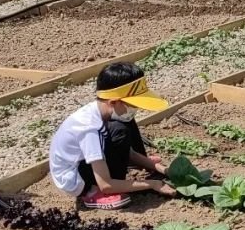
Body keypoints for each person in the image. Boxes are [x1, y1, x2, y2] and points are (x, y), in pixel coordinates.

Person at [49, 62, 177, 210]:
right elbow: (106, 185)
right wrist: (153, 184)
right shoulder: (90, 129)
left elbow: (129, 153)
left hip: (84, 161)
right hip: (75, 179)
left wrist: (164, 170)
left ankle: (117, 169)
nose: (136, 109)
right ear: (113, 102)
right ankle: (91, 193)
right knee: (120, 128)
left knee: (124, 124)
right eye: (133, 105)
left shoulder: (101, 111)